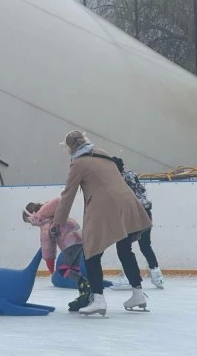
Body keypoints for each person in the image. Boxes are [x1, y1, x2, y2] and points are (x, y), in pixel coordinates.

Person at [52, 131, 153, 316]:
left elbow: (68, 196)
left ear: (70, 148)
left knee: (91, 253)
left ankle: (98, 299)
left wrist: (57, 223)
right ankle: (138, 294)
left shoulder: (78, 164)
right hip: (127, 203)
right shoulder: (103, 153)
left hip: (104, 208)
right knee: (125, 250)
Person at [23, 198, 111, 310]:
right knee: (74, 268)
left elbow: (47, 246)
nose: (31, 224)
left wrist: (50, 262)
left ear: (32, 216)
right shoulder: (53, 212)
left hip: (69, 244)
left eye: (29, 221)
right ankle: (84, 294)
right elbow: (59, 201)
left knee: (63, 269)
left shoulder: (44, 224)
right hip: (79, 239)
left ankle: (85, 286)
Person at [109, 157, 165, 290]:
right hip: (145, 211)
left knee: (124, 247)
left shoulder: (118, 180)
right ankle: (156, 275)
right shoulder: (130, 175)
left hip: (133, 215)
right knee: (145, 245)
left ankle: (128, 277)